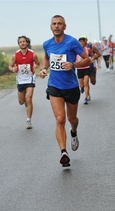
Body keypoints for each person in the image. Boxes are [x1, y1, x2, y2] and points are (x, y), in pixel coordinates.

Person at [39, 15, 91, 167]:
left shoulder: (72, 42)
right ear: (51, 27)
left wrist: (74, 64)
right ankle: (63, 152)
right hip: (54, 86)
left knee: (72, 119)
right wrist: (43, 69)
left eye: (59, 24)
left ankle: (73, 132)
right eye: (54, 24)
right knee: (60, 119)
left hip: (71, 86)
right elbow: (47, 58)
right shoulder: (47, 44)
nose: (56, 26)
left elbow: (87, 59)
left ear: (64, 26)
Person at [9, 35, 41, 129]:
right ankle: (26, 103)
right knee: (21, 101)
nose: (22, 43)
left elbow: (39, 64)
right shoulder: (15, 55)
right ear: (18, 44)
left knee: (29, 98)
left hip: (30, 78)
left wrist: (41, 70)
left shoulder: (33, 54)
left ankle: (28, 120)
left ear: (27, 43)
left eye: (24, 41)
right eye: (20, 42)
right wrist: (13, 69)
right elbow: (10, 66)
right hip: (20, 79)